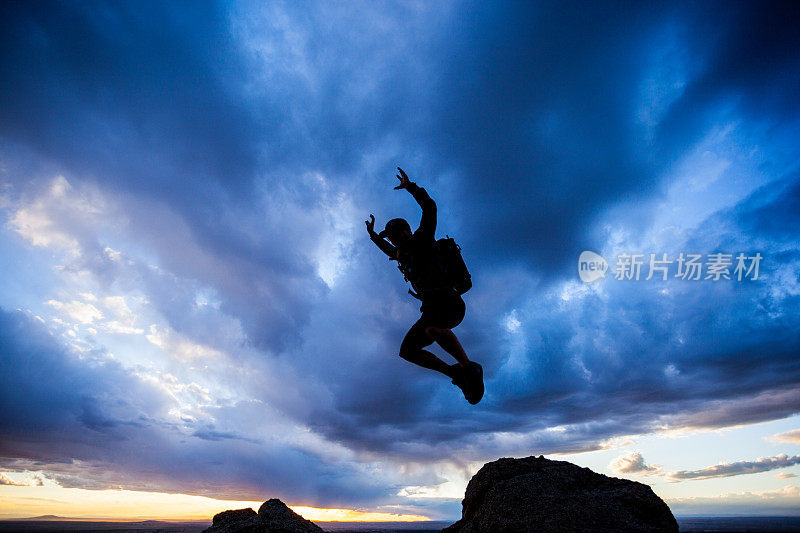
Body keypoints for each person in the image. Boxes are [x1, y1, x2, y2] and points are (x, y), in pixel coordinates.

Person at [366, 167, 483, 404]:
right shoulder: (400, 253)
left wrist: (411, 187)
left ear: (405, 231)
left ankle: (470, 367)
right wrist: (373, 236)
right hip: (431, 309)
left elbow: (430, 207)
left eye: (394, 236)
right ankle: (457, 373)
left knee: (432, 328)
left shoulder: (423, 239)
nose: (393, 241)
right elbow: (388, 250)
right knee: (407, 351)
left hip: (450, 304)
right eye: (390, 238)